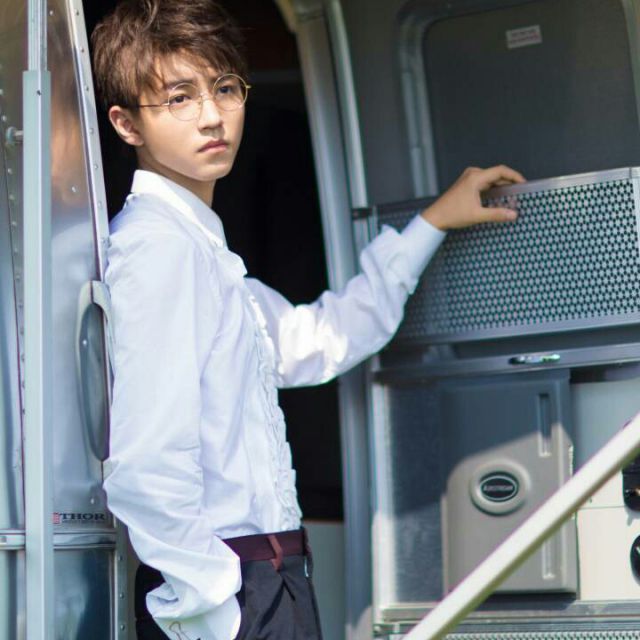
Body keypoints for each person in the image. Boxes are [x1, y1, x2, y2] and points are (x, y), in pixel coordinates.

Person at [91, 1, 524, 638]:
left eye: (224, 88)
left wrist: (430, 224)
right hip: (230, 593)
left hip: (267, 579)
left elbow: (317, 339)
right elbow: (145, 463)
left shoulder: (202, 251)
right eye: (179, 98)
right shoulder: (159, 249)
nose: (211, 116)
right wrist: (213, 608)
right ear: (127, 123)